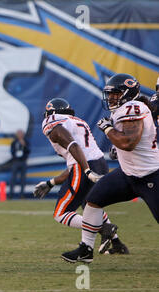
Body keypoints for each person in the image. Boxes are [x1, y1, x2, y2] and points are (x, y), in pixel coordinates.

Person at [62, 73, 159, 263]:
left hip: (150, 176)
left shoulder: (134, 107)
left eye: (115, 94)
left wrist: (108, 129)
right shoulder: (124, 109)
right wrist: (116, 147)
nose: (112, 98)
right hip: (128, 174)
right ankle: (85, 250)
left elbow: (129, 142)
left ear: (127, 94)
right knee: (93, 200)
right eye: (110, 95)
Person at [34, 98, 128, 255]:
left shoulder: (52, 121)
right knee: (91, 205)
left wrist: (86, 170)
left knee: (61, 213)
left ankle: (103, 228)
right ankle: (118, 244)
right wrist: (51, 183)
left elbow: (73, 147)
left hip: (84, 166)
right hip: (99, 163)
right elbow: (75, 161)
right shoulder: (78, 122)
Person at [9, 129, 30, 199]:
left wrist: (24, 145)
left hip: (23, 162)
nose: (20, 135)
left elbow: (28, 151)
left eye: (21, 133)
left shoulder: (26, 142)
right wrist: (15, 157)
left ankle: (22, 195)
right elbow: (12, 151)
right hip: (16, 162)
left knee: (23, 179)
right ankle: (11, 194)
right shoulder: (14, 142)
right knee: (13, 179)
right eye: (19, 134)